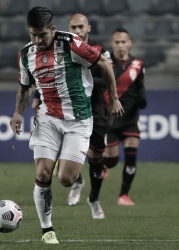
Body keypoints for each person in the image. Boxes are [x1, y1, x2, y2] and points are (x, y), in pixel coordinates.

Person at [10, 7, 123, 244]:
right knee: (42, 173)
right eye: (33, 35)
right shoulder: (26, 54)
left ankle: (66, 162)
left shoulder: (71, 43)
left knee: (66, 179)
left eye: (42, 34)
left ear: (52, 29)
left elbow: (104, 63)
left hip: (78, 120)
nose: (38, 40)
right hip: (47, 119)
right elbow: (24, 87)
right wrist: (18, 112)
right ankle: (47, 230)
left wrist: (113, 98)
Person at [67, 13, 113, 219]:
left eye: (80, 27)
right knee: (62, 154)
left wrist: (85, 78)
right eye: (73, 27)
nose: (77, 31)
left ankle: (93, 199)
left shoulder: (101, 51)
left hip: (95, 110)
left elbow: (108, 77)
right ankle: (77, 182)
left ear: (89, 28)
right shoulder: (62, 50)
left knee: (95, 156)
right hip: (69, 110)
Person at [103, 28, 147, 206]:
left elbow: (140, 87)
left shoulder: (138, 64)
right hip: (111, 120)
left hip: (130, 118)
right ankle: (105, 165)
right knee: (112, 161)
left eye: (123, 42)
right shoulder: (105, 63)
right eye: (117, 42)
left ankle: (123, 195)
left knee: (131, 156)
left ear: (129, 43)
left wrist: (142, 98)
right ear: (112, 44)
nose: (120, 45)